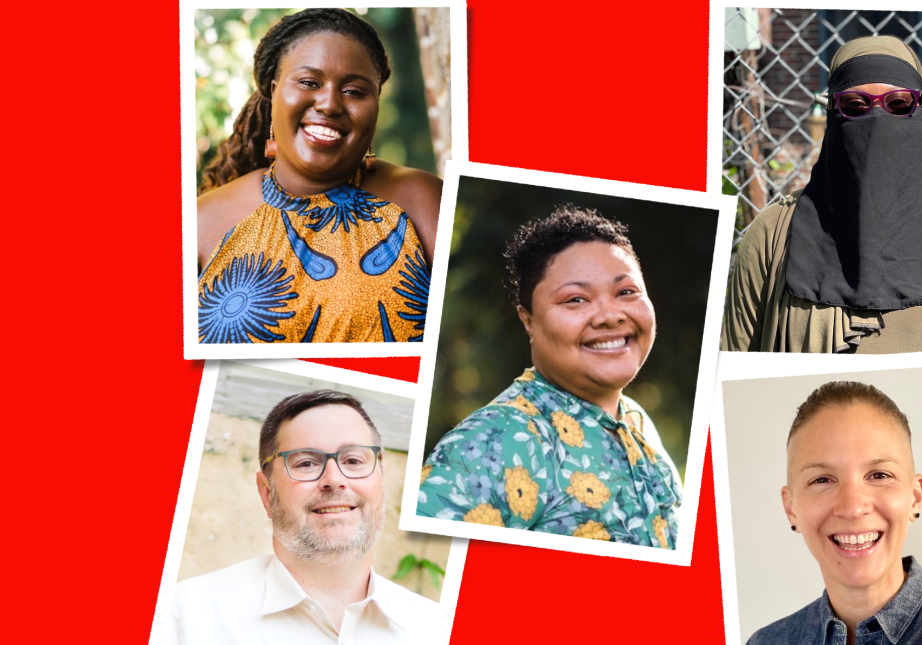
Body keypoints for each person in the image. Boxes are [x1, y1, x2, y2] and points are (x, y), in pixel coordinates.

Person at [416, 206, 681, 548]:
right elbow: (428, 564)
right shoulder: (495, 439)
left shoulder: (635, 420)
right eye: (575, 299)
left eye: (626, 292)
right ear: (528, 319)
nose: (609, 315)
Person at [722, 35, 922, 354]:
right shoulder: (772, 236)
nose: (876, 121)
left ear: (920, 111)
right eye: (854, 105)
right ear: (833, 112)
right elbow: (732, 377)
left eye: (899, 104)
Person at [196, 9, 441, 344]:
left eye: (355, 91)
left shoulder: (421, 199)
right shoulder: (200, 222)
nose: (329, 104)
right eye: (309, 82)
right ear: (274, 90)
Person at [164, 390, 437, 644]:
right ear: (267, 493)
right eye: (306, 463)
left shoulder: (434, 628)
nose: (334, 479)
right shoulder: (185, 619)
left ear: (381, 481)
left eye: (353, 461)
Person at [748, 381, 922, 645]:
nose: (853, 508)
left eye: (879, 475)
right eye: (822, 480)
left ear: (915, 497)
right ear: (791, 509)